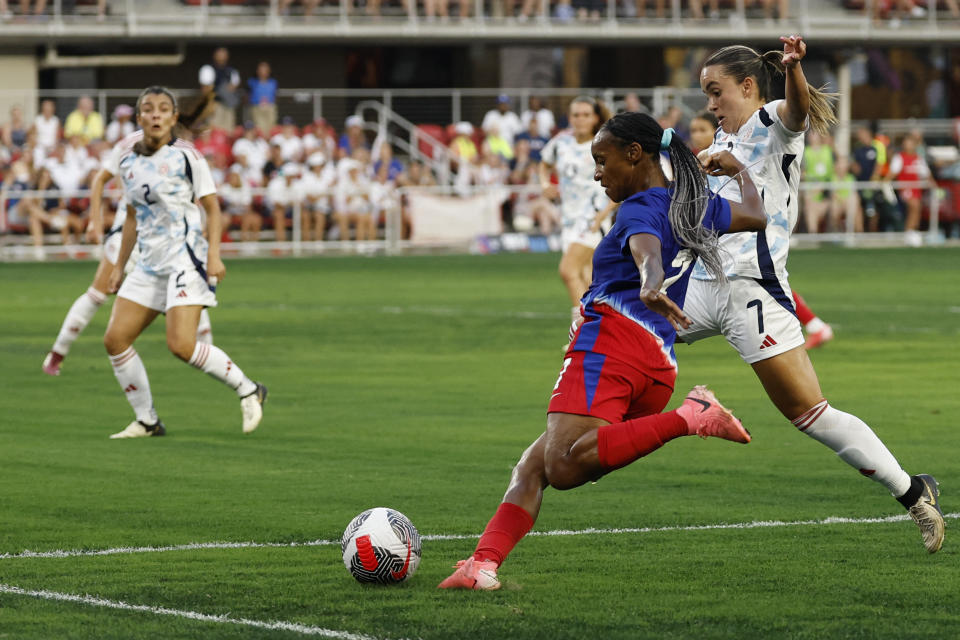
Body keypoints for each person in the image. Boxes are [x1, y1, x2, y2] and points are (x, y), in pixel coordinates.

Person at [438, 114, 768, 590]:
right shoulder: (692, 203)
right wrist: (739, 170)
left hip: (610, 349)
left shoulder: (634, 209)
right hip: (656, 365)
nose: (597, 172)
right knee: (534, 465)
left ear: (635, 154)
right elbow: (756, 217)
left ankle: (692, 415)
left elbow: (646, 251)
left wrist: (651, 281)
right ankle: (482, 565)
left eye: (601, 159)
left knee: (564, 465)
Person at [684, 37, 942, 552]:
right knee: (626, 334)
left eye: (717, 92)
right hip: (699, 284)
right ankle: (678, 416)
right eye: (707, 95)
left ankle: (914, 493)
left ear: (749, 86)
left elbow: (798, 111)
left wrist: (796, 70)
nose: (710, 104)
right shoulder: (721, 136)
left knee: (810, 415)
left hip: (753, 291)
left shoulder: (772, 120)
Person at [101, 86, 265, 438]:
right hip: (148, 264)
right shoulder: (128, 160)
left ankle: (249, 389)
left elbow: (212, 207)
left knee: (181, 345)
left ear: (174, 118)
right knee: (115, 339)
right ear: (139, 117)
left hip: (184, 261)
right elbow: (132, 216)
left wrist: (214, 255)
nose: (156, 114)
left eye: (163, 109)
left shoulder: (186, 156)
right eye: (148, 109)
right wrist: (118, 266)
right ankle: (147, 421)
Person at [42, 119, 215, 377]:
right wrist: (95, 221)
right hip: (130, 233)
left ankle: (208, 355)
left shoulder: (186, 152)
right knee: (97, 294)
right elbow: (100, 179)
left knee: (187, 290)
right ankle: (57, 354)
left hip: (170, 240)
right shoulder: (132, 143)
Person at [540, 96, 618, 329]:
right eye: (575, 115)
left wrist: (606, 212)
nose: (580, 119)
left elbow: (624, 178)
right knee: (586, 277)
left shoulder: (606, 143)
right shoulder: (560, 142)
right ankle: (603, 328)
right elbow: (543, 163)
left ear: (595, 117)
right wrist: (545, 185)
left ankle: (582, 328)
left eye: (585, 115)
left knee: (568, 270)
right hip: (569, 218)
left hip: (593, 217)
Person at [887, 131, 935, 247]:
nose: (907, 145)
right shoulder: (900, 158)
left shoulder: (918, 158)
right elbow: (891, 174)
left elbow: (927, 175)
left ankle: (913, 231)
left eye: (910, 143)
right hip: (905, 189)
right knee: (914, 206)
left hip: (916, 189)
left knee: (917, 210)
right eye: (906, 143)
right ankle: (908, 233)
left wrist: (934, 185)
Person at [200, 48, 241, 132]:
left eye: (224, 55)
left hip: (228, 106)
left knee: (228, 130)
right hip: (215, 104)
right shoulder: (208, 69)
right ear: (214, 56)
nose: (221, 57)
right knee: (215, 129)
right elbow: (205, 89)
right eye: (219, 55)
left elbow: (233, 86)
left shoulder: (231, 71)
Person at [247, 61, 278, 135]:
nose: (263, 72)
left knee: (271, 128)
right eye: (261, 69)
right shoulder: (252, 82)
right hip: (256, 108)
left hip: (270, 108)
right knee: (259, 128)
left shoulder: (273, 82)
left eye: (265, 70)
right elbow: (247, 95)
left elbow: (275, 95)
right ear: (257, 71)